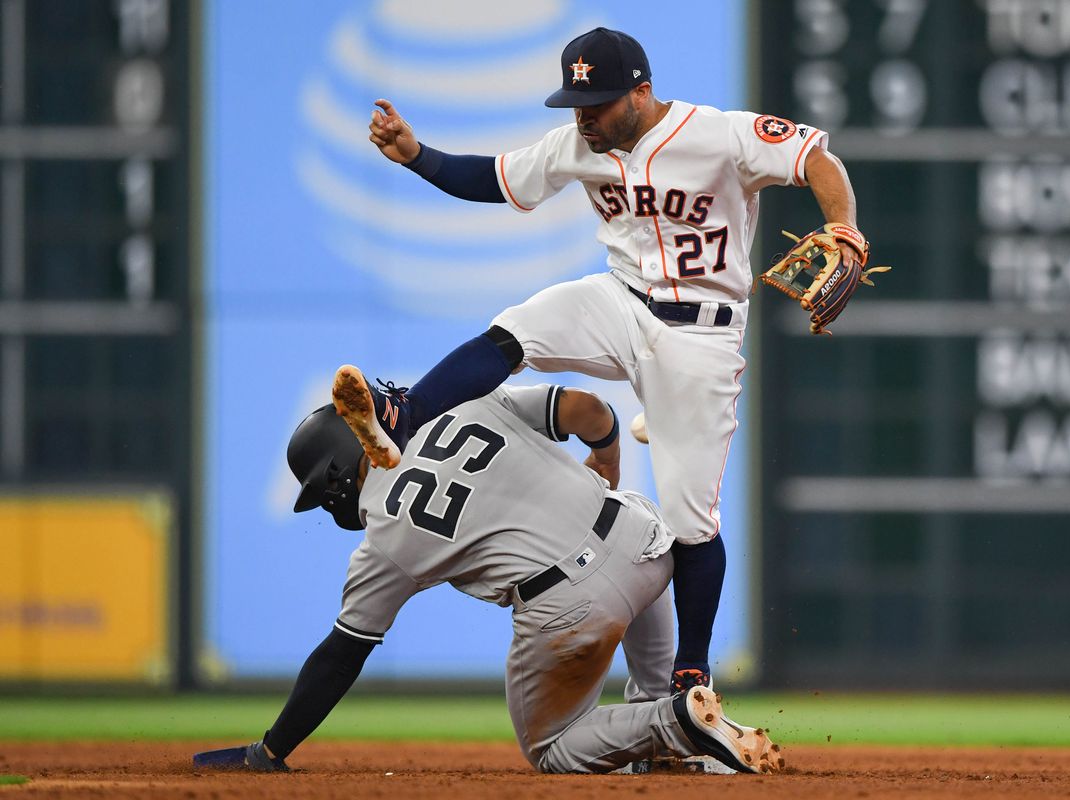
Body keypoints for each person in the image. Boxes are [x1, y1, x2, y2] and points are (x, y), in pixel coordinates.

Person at [361, 27, 863, 693]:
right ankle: (404, 414)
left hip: (701, 334)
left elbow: (815, 159)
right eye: (576, 101)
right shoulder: (578, 144)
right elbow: (495, 177)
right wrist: (417, 156)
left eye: (596, 102)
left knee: (689, 516)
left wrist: (847, 227)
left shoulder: (718, 134)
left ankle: (691, 672)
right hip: (620, 301)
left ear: (642, 91)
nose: (583, 117)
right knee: (518, 329)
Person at [192, 367, 783, 775]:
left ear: (340, 475)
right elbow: (587, 409)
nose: (327, 505)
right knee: (646, 675)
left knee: (551, 747)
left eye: (323, 493)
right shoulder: (459, 404)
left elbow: (341, 655)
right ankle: (677, 729)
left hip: (572, 601)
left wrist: (271, 749)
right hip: (643, 540)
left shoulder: (385, 533)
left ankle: (676, 720)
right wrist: (605, 455)